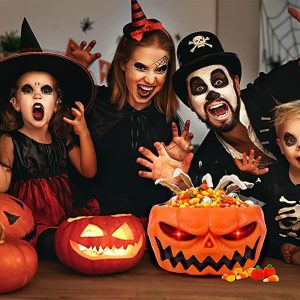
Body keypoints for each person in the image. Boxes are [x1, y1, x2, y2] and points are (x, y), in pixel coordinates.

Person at [137, 7, 300, 188]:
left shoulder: (269, 91)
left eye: (219, 81)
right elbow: (210, 205)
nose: (212, 94)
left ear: (236, 84)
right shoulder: (207, 161)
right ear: (190, 103)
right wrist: (178, 183)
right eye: (199, 88)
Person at [68, 0, 193, 225]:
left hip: (151, 231)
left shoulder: (169, 123)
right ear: (123, 64)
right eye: (141, 67)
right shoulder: (93, 104)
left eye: (160, 69)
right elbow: (47, 115)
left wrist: (178, 175)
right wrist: (74, 72)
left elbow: (182, 196)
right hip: (95, 228)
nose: (150, 79)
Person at [0, 18, 100, 258]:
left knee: (87, 234)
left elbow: (89, 171)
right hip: (30, 223)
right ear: (15, 103)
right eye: (27, 90)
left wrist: (83, 132)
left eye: (46, 90)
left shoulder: (60, 138)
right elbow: (2, 188)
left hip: (64, 216)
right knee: (52, 244)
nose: (37, 94)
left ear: (56, 104)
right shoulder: (10, 141)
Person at [234, 101, 300, 265]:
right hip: (272, 257)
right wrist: (247, 176)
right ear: (281, 147)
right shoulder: (271, 177)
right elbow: (238, 201)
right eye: (291, 140)